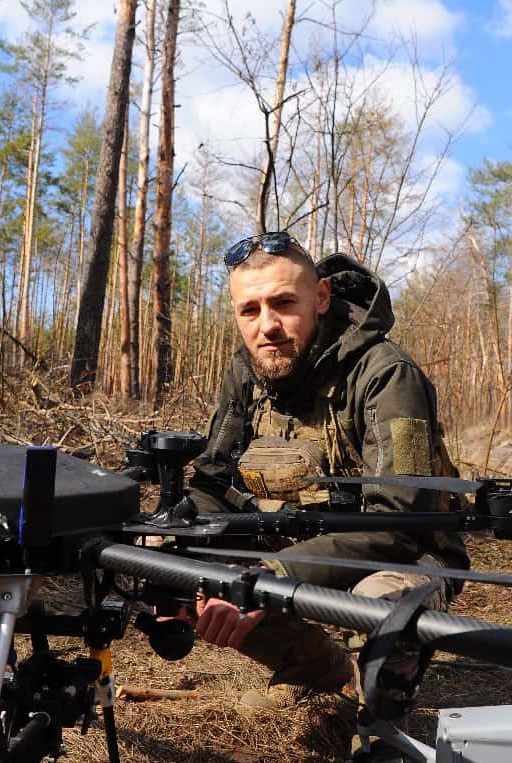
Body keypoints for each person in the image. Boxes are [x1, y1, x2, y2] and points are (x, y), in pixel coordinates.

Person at [184, 231, 470, 711]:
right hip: (287, 547)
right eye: (249, 311)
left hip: (406, 554)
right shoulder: (246, 370)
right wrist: (172, 548)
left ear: (320, 298)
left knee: (380, 600)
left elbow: (400, 523)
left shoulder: (388, 375)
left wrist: (268, 575)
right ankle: (327, 672)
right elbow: (212, 482)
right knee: (165, 565)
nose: (266, 327)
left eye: (283, 303)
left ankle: (378, 714)